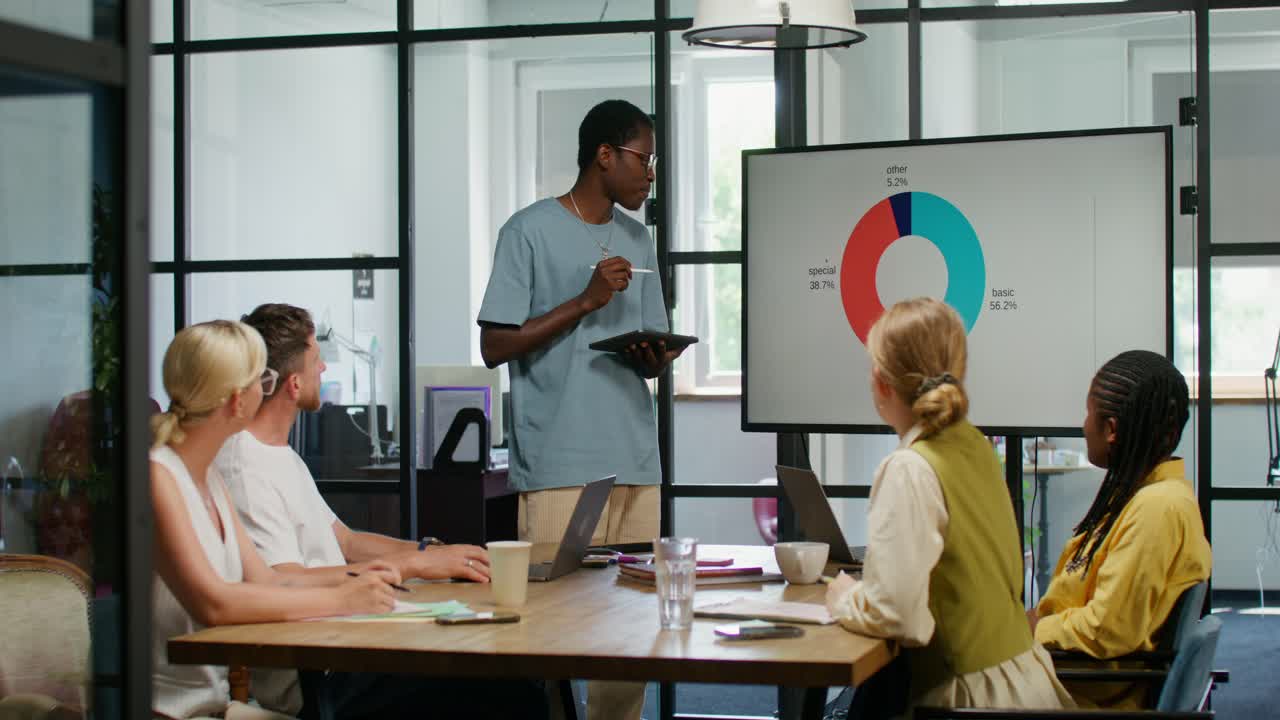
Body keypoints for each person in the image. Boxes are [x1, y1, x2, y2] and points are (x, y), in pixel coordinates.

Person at [215, 302, 546, 720]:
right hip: (319, 674)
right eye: (317, 361)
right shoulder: (246, 467)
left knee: (509, 673)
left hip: (348, 641)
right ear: (294, 385)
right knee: (508, 688)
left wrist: (431, 552)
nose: (324, 371)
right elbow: (284, 580)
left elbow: (347, 541)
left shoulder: (280, 455)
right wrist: (411, 565)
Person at [477, 99, 679, 720]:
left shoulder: (639, 236)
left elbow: (651, 344)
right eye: (644, 159)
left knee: (635, 637)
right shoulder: (528, 230)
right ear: (605, 156)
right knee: (552, 635)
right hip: (561, 462)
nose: (650, 175)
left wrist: (654, 357)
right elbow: (494, 345)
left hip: (635, 459)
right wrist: (586, 300)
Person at [824, 297, 1071, 713]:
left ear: (881, 381)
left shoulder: (908, 467)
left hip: (963, 702)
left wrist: (845, 597)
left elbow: (899, 616)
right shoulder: (975, 446)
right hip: (1022, 682)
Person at [150, 320, 398, 720]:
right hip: (170, 712)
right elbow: (214, 603)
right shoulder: (159, 477)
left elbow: (267, 580)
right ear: (236, 400)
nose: (268, 389)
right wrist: (339, 599)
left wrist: (358, 579)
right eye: (261, 379)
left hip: (216, 708)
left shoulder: (210, 478)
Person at [1029, 349, 1212, 710]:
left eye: (1088, 414)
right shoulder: (1143, 496)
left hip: (1080, 692)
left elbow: (1106, 628)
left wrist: (1029, 632)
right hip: (1065, 675)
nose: (1083, 425)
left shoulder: (1157, 508)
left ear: (1111, 429)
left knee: (936, 686)